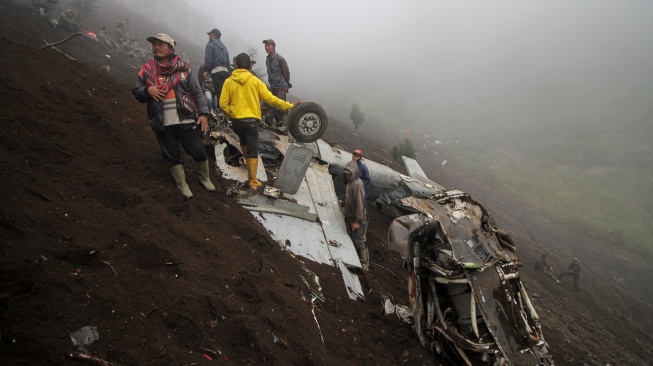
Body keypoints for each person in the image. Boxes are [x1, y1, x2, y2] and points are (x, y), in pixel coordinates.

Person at [132, 33, 214, 198]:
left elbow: (197, 92)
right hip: (162, 121)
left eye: (161, 44)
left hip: (184, 118)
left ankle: (205, 177)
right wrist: (147, 90)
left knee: (197, 150)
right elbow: (136, 92)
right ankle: (182, 184)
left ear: (171, 48)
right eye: (155, 44)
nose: (156, 47)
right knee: (171, 155)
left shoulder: (183, 69)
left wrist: (204, 113)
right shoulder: (147, 69)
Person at [219, 53, 300, 189]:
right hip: (251, 122)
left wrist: (230, 114)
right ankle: (252, 181)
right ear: (250, 66)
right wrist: (290, 105)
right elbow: (271, 99)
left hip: (237, 122)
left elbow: (222, 103)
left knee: (243, 141)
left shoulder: (229, 81)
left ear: (236, 65)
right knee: (252, 149)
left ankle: (246, 161)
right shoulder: (255, 81)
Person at [341, 160, 369, 271]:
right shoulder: (350, 183)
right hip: (350, 216)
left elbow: (360, 205)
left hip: (357, 219)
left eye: (349, 173)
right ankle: (354, 259)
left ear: (354, 173)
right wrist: (343, 203)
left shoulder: (357, 185)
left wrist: (357, 222)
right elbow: (351, 199)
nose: (347, 175)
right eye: (346, 173)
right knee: (352, 238)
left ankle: (365, 265)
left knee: (358, 240)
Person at [262, 38, 292, 127]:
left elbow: (286, 72)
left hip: (280, 86)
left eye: (269, 46)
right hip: (272, 86)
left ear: (274, 47)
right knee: (267, 103)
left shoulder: (280, 58)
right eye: (265, 46)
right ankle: (267, 122)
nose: (267, 48)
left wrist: (286, 85)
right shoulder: (267, 60)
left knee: (282, 106)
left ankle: (285, 127)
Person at [204, 28, 230, 107]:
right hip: (225, 72)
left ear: (212, 36)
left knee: (219, 93)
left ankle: (221, 112)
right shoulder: (224, 48)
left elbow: (208, 59)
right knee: (225, 93)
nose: (209, 37)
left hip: (216, 71)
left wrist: (206, 70)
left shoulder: (210, 45)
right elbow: (228, 62)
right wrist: (228, 73)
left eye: (209, 35)